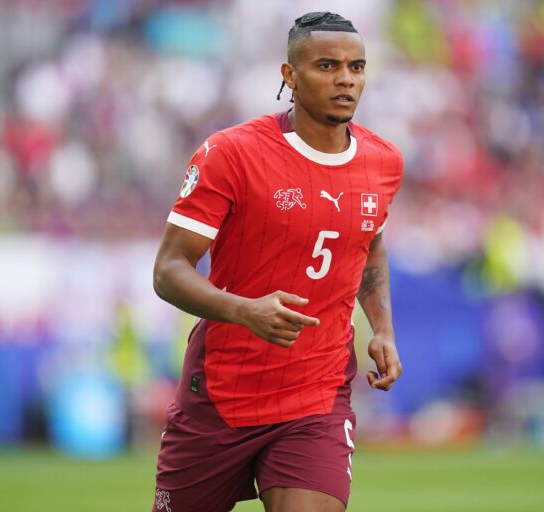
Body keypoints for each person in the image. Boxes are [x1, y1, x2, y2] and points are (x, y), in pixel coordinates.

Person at [152, 11, 403, 512]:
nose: (346, 79)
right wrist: (245, 311)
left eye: (356, 67)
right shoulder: (231, 154)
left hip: (317, 396)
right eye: (327, 66)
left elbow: (368, 243)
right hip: (222, 392)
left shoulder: (384, 162)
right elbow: (169, 271)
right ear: (289, 76)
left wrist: (382, 328)